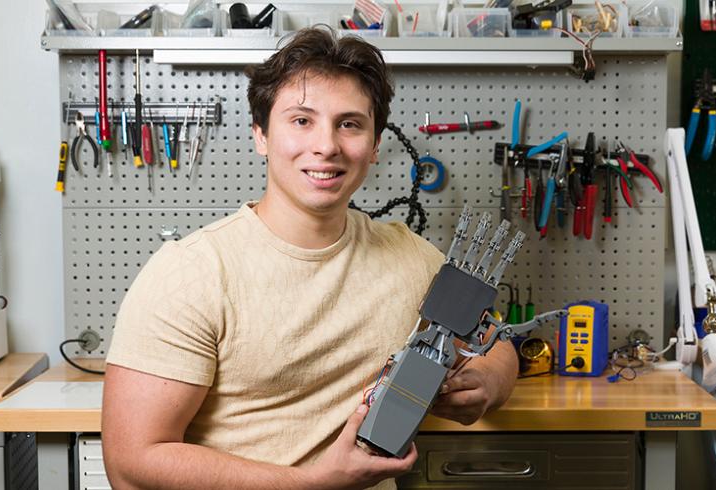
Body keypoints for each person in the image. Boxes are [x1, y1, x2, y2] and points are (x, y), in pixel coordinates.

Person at [101, 26, 520, 490]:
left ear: (375, 145)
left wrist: (488, 381)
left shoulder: (409, 255)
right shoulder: (192, 273)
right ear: (260, 135)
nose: (326, 146)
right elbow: (131, 462)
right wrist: (313, 483)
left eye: (350, 123)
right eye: (302, 120)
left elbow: (495, 341)